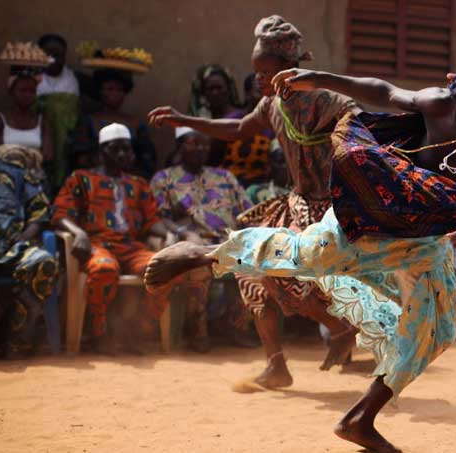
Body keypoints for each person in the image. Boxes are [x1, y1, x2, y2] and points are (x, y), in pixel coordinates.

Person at [145, 50, 456, 452]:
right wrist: (316, 77)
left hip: (424, 240)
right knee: (305, 256)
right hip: (375, 213)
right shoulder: (438, 104)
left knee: (437, 330)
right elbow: (382, 90)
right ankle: (204, 254)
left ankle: (360, 419)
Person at [148, 15, 362, 389]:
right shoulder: (271, 106)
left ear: (289, 68)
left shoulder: (325, 101)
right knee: (251, 272)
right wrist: (185, 119)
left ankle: (340, 329)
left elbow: (360, 118)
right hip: (296, 206)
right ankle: (276, 365)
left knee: (276, 273)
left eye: (265, 71)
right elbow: (237, 129)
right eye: (256, 72)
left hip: (331, 212)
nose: (259, 80)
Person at [52, 123, 208, 354]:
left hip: (130, 246)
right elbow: (59, 214)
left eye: (127, 149)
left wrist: (169, 235)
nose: (124, 154)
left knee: (165, 270)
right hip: (97, 244)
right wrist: (79, 233)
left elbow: (151, 222)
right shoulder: (81, 179)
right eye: (116, 149)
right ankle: (100, 334)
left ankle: (138, 332)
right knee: (104, 269)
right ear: (101, 152)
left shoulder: (138, 184)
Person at [150, 127, 253, 351]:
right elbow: (160, 218)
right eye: (193, 143)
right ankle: (198, 333)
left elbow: (248, 211)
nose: (201, 149)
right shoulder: (164, 179)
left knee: (251, 263)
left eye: (205, 144)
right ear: (179, 146)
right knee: (197, 267)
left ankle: (238, 328)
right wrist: (181, 232)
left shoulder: (224, 177)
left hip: (229, 241)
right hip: (194, 243)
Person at [0, 145, 58, 358]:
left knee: (43, 262)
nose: (13, 160)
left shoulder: (26, 179)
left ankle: (15, 339)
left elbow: (40, 213)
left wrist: (24, 236)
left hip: (13, 249)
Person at [73, 69, 156, 178]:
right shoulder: (89, 121)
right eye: (110, 89)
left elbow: (147, 160)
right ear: (100, 91)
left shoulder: (136, 124)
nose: (115, 94)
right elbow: (79, 157)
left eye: (120, 90)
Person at [36, 33, 80, 192]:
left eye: (58, 55)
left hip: (65, 139)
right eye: (48, 55)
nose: (53, 60)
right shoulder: (33, 78)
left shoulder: (72, 79)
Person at [0, 67, 53, 162]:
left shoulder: (41, 121)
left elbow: (48, 156)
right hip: (7, 175)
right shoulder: (0, 121)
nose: (28, 95)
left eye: (32, 91)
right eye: (23, 90)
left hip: (35, 174)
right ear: (11, 92)